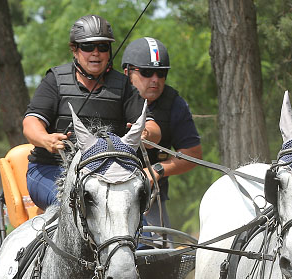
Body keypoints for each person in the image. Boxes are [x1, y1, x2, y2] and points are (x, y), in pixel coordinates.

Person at [22, 15, 161, 211]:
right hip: (51, 170)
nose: (96, 53)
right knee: (76, 205)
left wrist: (145, 133)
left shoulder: (123, 86)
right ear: (74, 49)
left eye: (103, 47)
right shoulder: (55, 80)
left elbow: (153, 127)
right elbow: (31, 123)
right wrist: (46, 139)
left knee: (135, 224)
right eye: (88, 47)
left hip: (109, 174)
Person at [121, 37, 203, 228]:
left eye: (161, 73)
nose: (155, 80)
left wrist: (157, 170)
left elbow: (193, 155)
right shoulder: (110, 96)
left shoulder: (175, 104)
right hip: (104, 197)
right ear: (127, 73)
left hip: (150, 200)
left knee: (162, 255)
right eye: (147, 72)